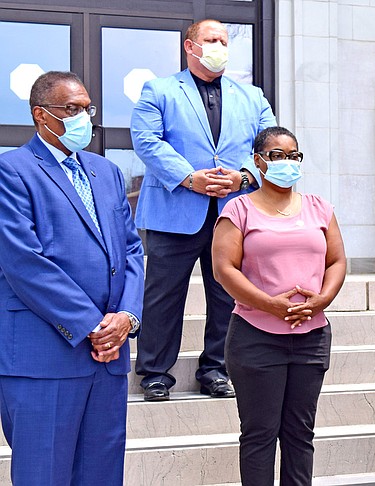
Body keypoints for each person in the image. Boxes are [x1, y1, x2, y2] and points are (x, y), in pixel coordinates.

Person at [0, 71, 144, 484]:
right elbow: (24, 262)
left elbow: (132, 250)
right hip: (44, 356)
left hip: (108, 358)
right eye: (72, 109)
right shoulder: (12, 171)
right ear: (41, 116)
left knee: (101, 474)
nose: (85, 118)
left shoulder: (108, 172)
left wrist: (126, 318)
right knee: (43, 474)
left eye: (88, 108)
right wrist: (91, 325)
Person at [130, 19, 277, 401]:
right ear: (190, 46)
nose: (219, 47)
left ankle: (216, 369)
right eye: (212, 40)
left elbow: (270, 143)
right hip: (174, 209)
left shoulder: (253, 96)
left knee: (227, 295)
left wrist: (245, 176)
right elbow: (146, 139)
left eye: (224, 41)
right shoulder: (159, 89)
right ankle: (155, 372)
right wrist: (187, 177)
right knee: (163, 295)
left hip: (233, 212)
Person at [212, 126, 346, 485]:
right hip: (256, 337)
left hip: (311, 337)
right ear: (258, 162)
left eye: (293, 155)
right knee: (259, 435)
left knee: (300, 435)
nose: (287, 162)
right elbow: (224, 269)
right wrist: (269, 304)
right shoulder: (238, 209)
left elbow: (336, 262)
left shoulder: (320, 208)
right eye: (277, 155)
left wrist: (323, 299)